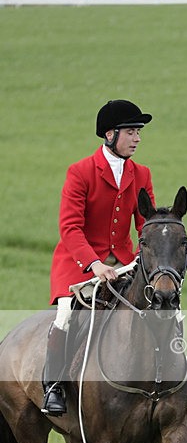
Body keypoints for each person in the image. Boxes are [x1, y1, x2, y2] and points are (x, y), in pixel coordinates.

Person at [42, 99, 154, 416]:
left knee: (157, 303)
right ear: (110, 134)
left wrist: (146, 261)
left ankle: (169, 380)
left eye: (138, 132)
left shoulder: (142, 173)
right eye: (131, 131)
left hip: (122, 260)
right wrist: (93, 263)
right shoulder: (80, 172)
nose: (137, 138)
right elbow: (70, 227)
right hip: (78, 262)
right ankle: (54, 385)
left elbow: (145, 224)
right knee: (67, 314)